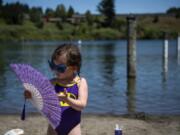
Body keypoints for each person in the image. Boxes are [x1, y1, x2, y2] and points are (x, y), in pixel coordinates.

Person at [24, 44, 88, 135]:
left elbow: (81, 105)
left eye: (60, 68)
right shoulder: (52, 83)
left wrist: (67, 99)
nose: (55, 70)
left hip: (72, 127)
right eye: (53, 66)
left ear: (74, 68)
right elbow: (39, 96)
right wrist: (30, 95)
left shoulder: (81, 82)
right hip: (53, 128)